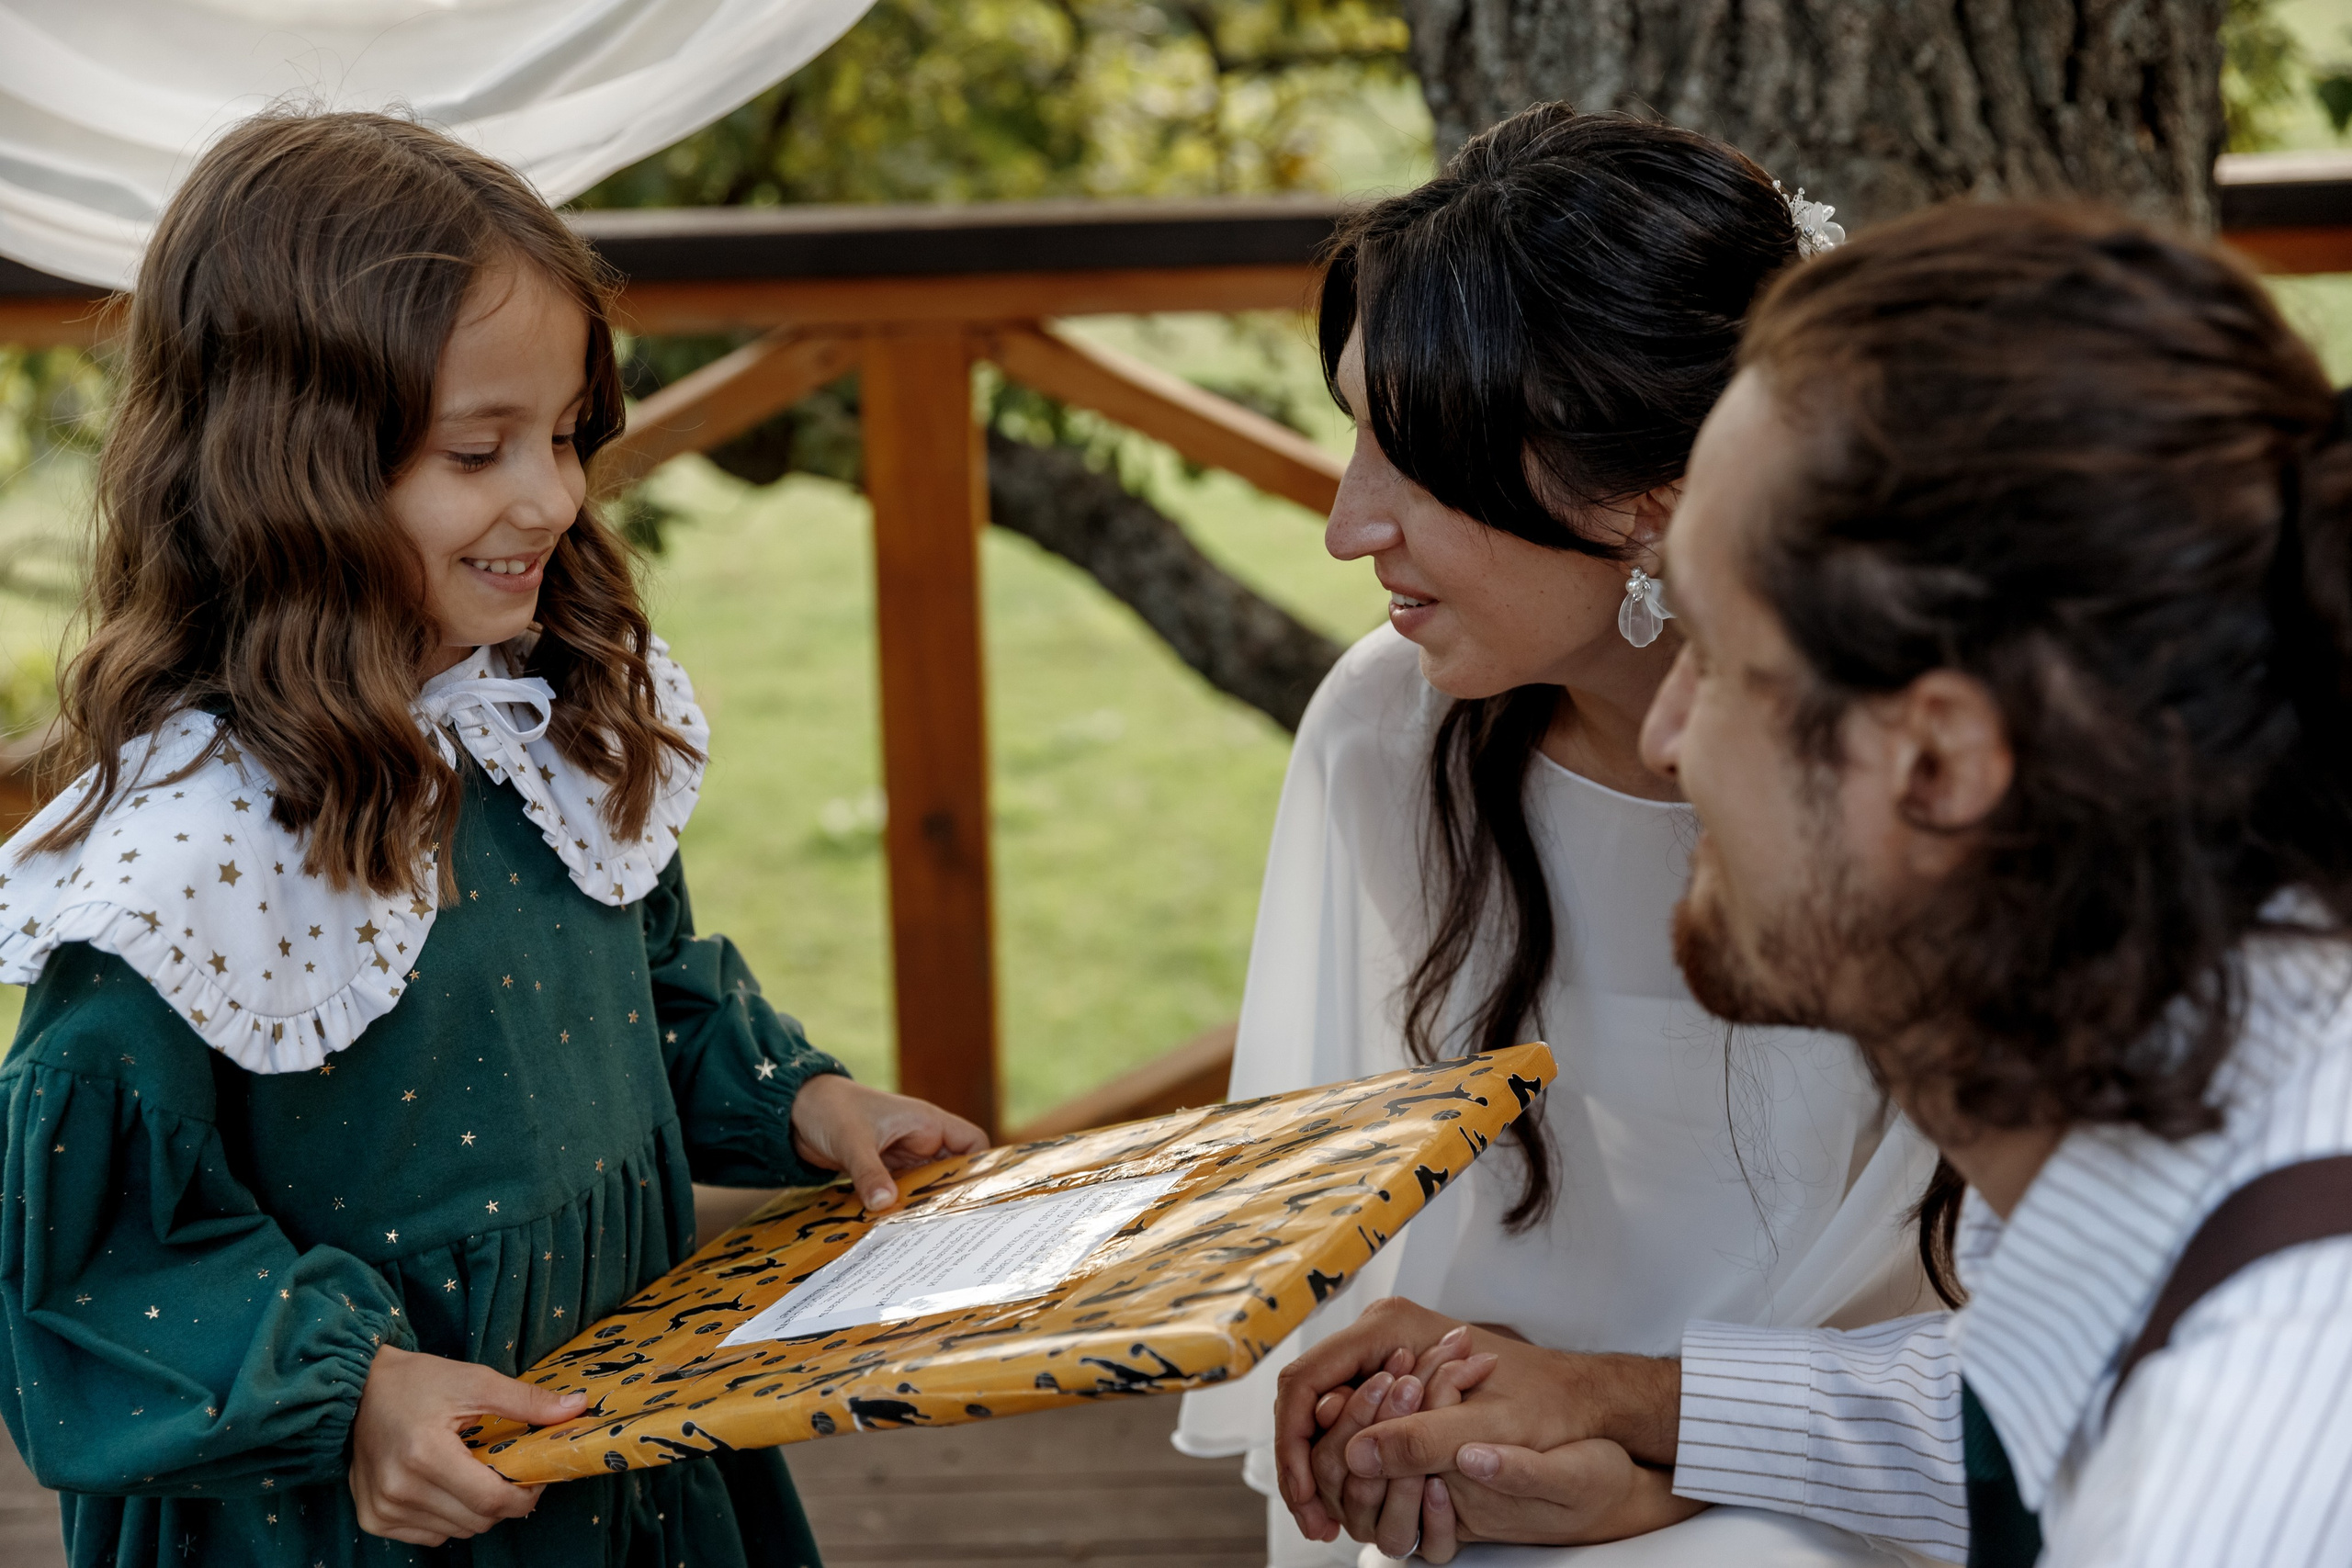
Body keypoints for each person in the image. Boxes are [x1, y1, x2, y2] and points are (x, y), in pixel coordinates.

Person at [1282, 201, 2352, 1565]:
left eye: (1719, 661)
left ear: (1939, 760)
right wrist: (1617, 1421)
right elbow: (2013, 1396)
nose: (1664, 737)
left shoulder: (2230, 1467)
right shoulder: (2224, 1074)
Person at [0, 111, 987, 1567]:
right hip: (357, 1522)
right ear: (292, 467)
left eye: (570, 434)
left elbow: (649, 988)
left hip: (626, 1435)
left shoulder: (541, 729)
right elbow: (94, 1263)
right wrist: (354, 1397)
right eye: (480, 450)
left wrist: (802, 1104)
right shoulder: (181, 863)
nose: (553, 497)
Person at [1172, 103, 1944, 1566]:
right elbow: (1356, 1227)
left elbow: (2065, 1376)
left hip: (1892, 1487)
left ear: (1653, 495)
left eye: (1413, 463)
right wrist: (1414, 1402)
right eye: (1351, 436)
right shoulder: (1386, 736)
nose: (1346, 526)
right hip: (1510, 1452)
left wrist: (1649, 1462)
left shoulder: (1924, 789)